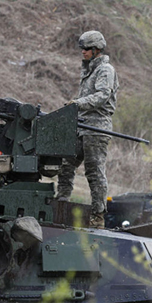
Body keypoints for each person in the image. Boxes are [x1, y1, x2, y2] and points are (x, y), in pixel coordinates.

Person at [57, 30, 119, 228]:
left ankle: (97, 216)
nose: (82, 52)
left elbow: (102, 96)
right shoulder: (89, 69)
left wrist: (77, 103)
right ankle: (62, 202)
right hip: (81, 125)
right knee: (66, 165)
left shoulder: (105, 70)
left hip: (97, 128)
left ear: (96, 50)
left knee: (94, 173)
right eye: (81, 49)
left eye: (86, 49)